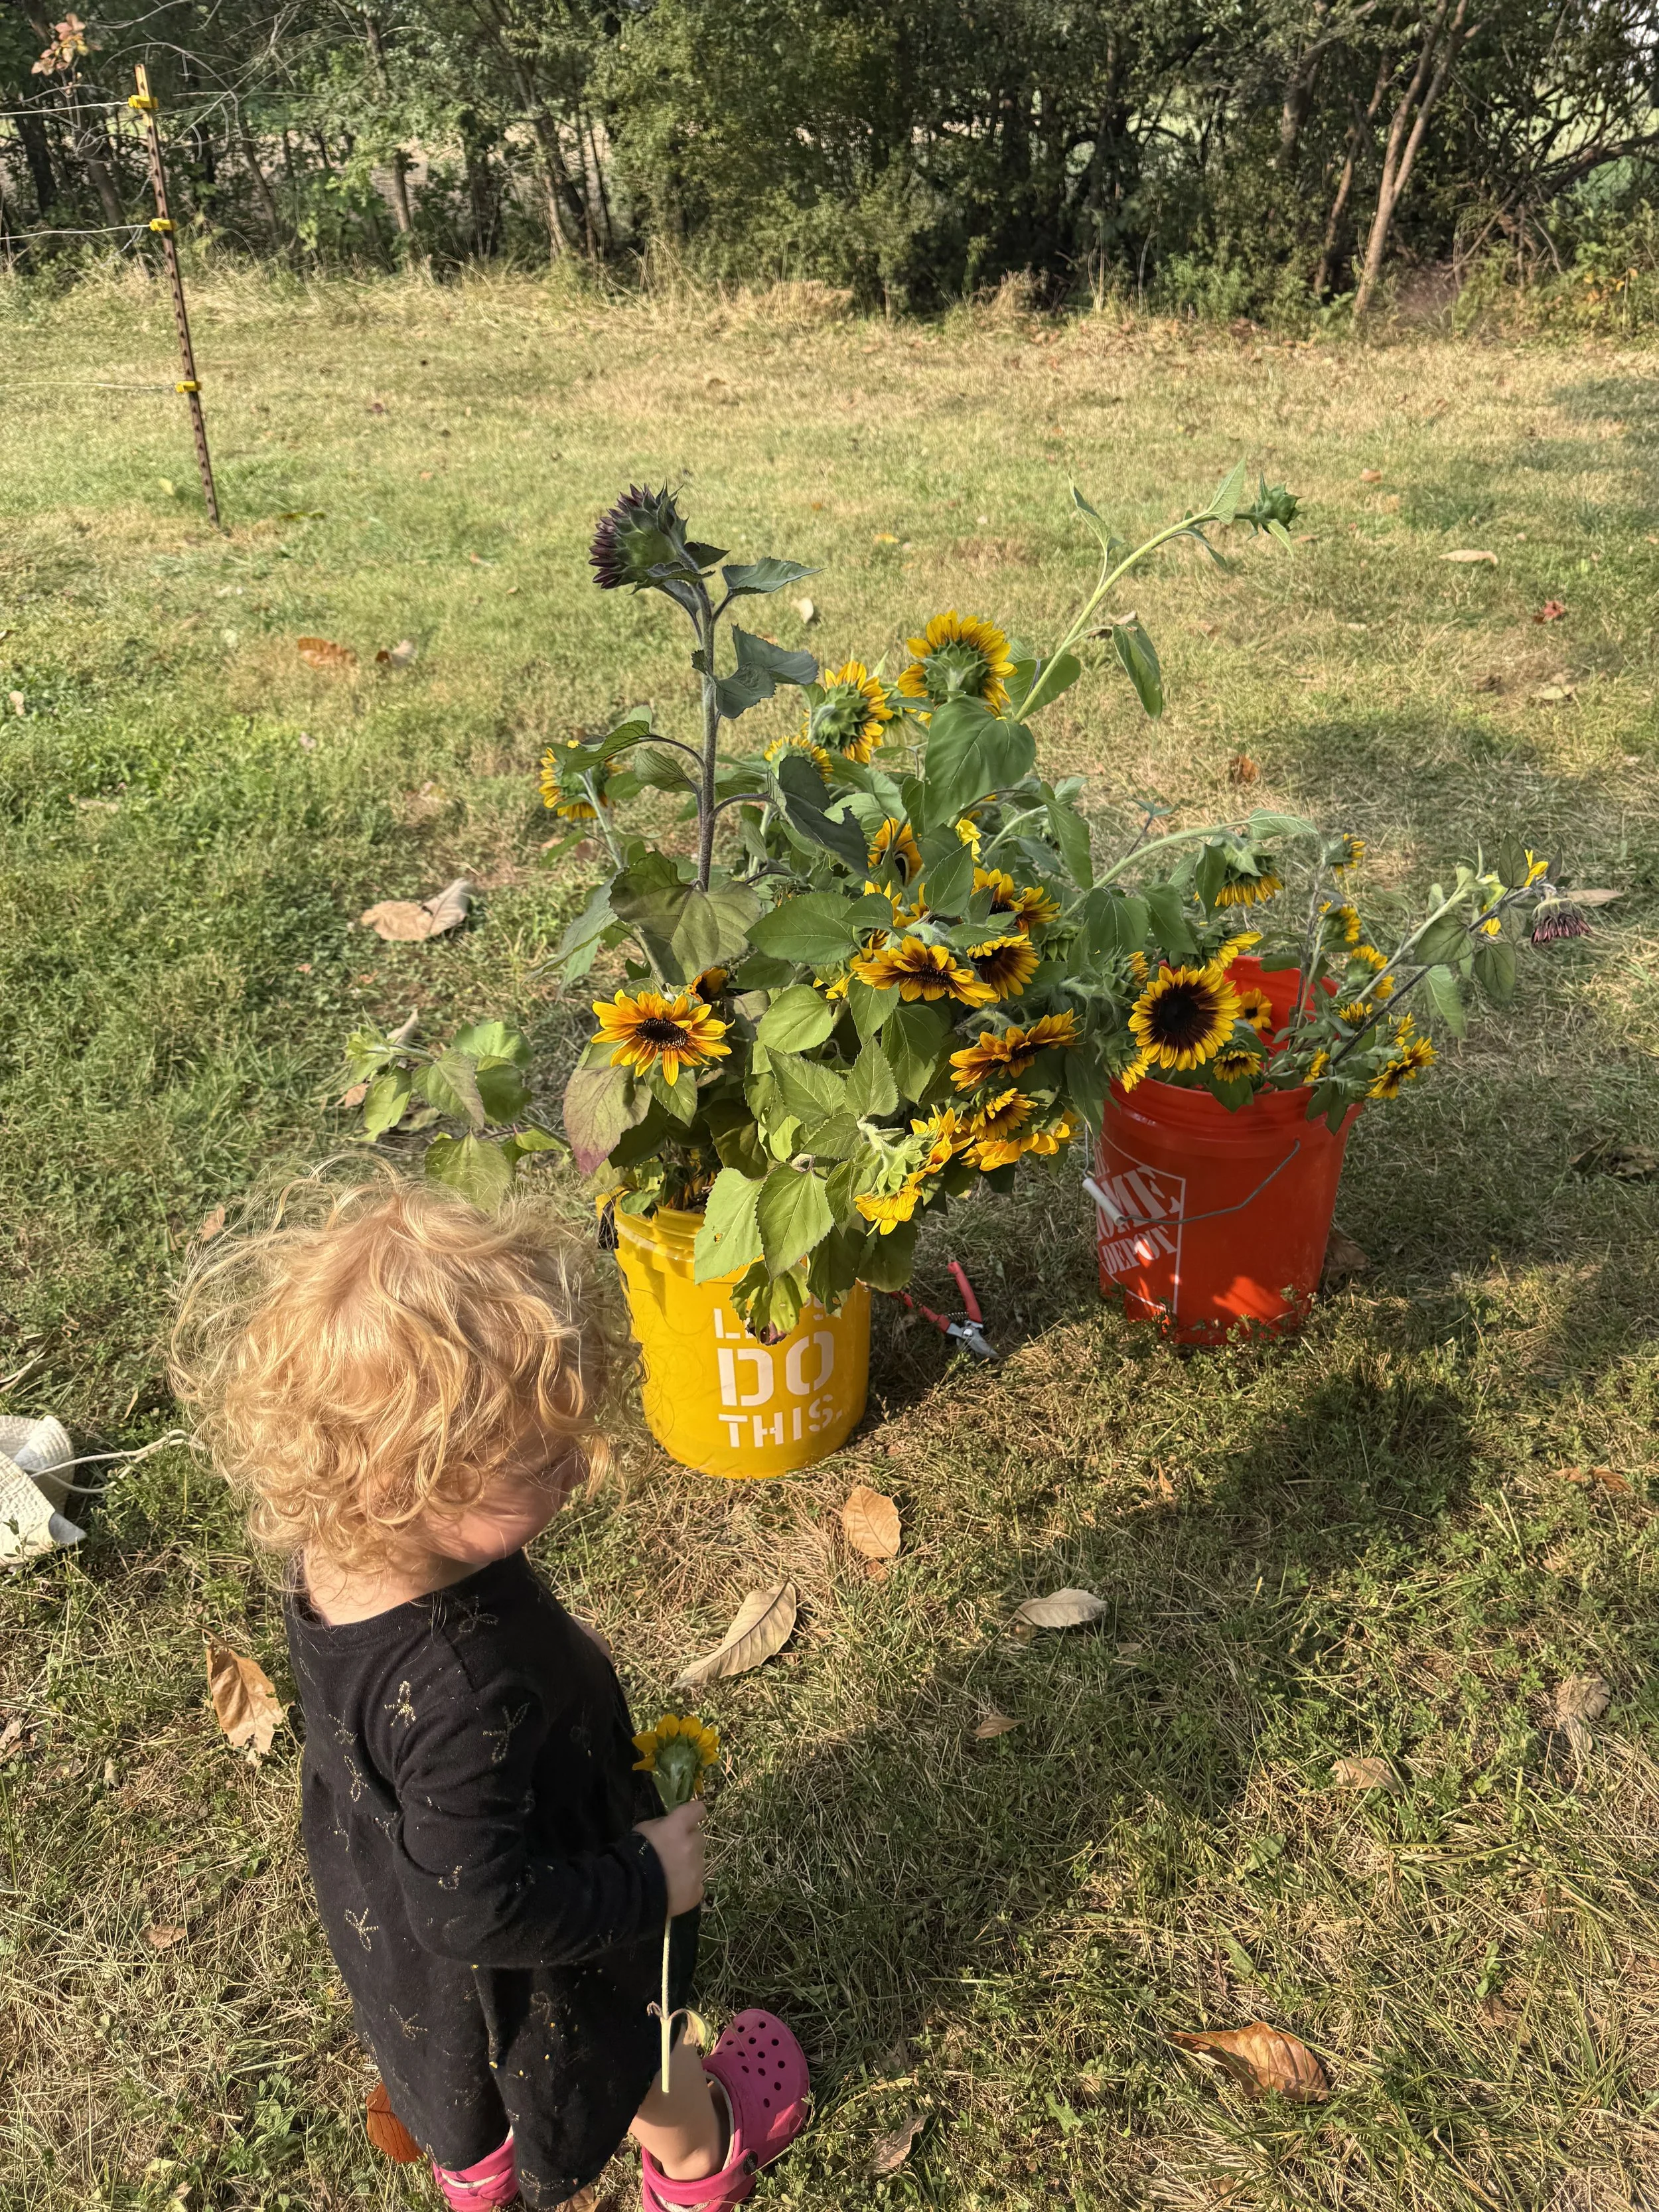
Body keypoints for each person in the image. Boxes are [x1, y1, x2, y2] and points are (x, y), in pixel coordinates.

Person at [171, 1170, 809, 2211]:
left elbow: (432, 1889)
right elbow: (476, 1912)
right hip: (537, 1929)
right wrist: (644, 1879)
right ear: (409, 1481)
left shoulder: (337, 1556)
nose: (580, 1471)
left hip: (386, 1896)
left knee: (447, 2053)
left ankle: (475, 2167)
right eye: (543, 1459)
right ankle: (698, 2160)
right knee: (636, 2053)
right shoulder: (467, 1688)